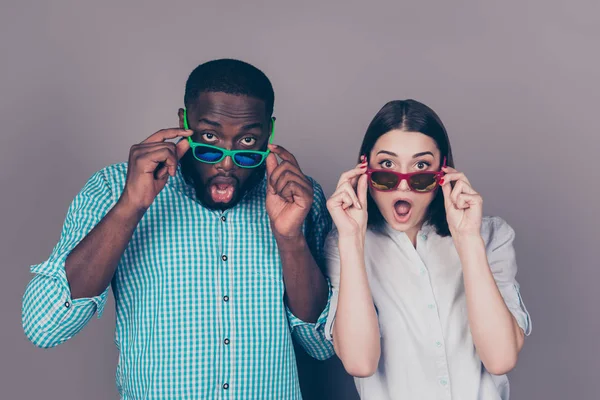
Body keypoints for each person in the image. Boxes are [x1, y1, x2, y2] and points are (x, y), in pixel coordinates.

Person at [21, 58, 334, 399]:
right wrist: (130, 207)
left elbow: (321, 345)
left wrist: (290, 239)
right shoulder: (114, 189)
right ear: (184, 122)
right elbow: (45, 326)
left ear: (268, 134)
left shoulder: (297, 197)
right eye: (210, 137)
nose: (226, 163)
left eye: (246, 141)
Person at [324, 99, 531, 399]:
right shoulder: (344, 243)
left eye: (421, 168)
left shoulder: (490, 235)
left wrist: (468, 239)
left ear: (442, 171)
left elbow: (500, 358)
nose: (403, 186)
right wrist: (351, 240)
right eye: (386, 167)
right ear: (364, 170)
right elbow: (360, 362)